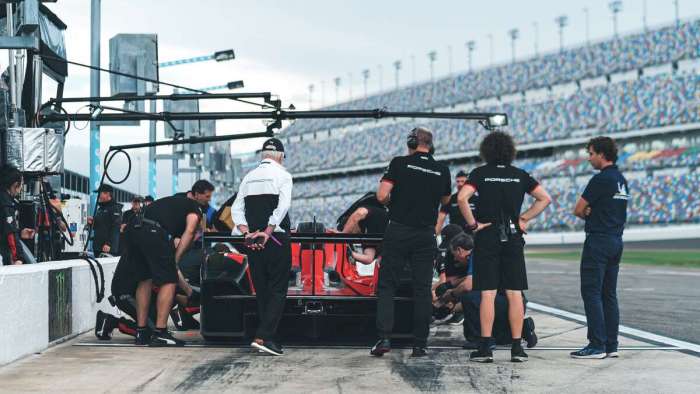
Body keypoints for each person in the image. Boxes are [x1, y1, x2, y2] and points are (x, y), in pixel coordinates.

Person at [457, 131, 551, 363]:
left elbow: (461, 198)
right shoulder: (520, 174)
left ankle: (485, 348)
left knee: (487, 293)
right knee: (514, 293)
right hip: (512, 235)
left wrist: (472, 224)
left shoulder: (480, 173)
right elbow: (544, 198)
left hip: (487, 235)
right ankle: (517, 348)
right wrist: (524, 219)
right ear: (510, 151)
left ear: (486, 151)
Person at [370, 127, 451, 358]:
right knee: (423, 290)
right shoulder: (442, 169)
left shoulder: (399, 163)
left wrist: (399, 201)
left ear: (411, 142)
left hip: (399, 229)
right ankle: (420, 344)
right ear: (430, 145)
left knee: (387, 285)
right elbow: (446, 200)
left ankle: (384, 337)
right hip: (425, 234)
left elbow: (381, 196)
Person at [231, 137, 293, 356]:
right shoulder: (283, 175)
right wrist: (266, 232)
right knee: (277, 289)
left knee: (263, 290)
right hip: (274, 239)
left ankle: (269, 337)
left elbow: (236, 210)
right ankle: (263, 336)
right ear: (280, 156)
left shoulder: (248, 177)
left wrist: (248, 233)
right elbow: (282, 207)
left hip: (253, 242)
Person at [570, 136, 629, 359]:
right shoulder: (620, 178)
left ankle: (597, 344)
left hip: (598, 241)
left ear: (602, 154)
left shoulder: (601, 179)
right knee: (609, 295)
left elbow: (578, 209)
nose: (589, 158)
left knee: (592, 293)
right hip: (616, 240)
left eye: (591, 154)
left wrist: (590, 213)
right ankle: (611, 345)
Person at [122, 194, 201, 346]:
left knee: (144, 279)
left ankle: (141, 331)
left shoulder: (168, 206)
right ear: (197, 196)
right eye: (207, 196)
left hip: (133, 230)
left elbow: (177, 238)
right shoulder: (194, 207)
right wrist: (175, 260)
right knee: (169, 280)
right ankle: (161, 333)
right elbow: (190, 231)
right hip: (152, 231)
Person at [0, 166, 35, 265]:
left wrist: (20, 233)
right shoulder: (6, 204)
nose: (20, 190)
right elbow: (10, 233)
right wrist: (18, 258)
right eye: (21, 186)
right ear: (15, 185)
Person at [88, 184, 122, 257]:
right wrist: (92, 223)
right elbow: (97, 227)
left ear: (107, 194)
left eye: (100, 193)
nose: (98, 196)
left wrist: (109, 243)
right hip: (98, 247)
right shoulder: (100, 209)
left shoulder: (115, 208)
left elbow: (116, 228)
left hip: (108, 248)